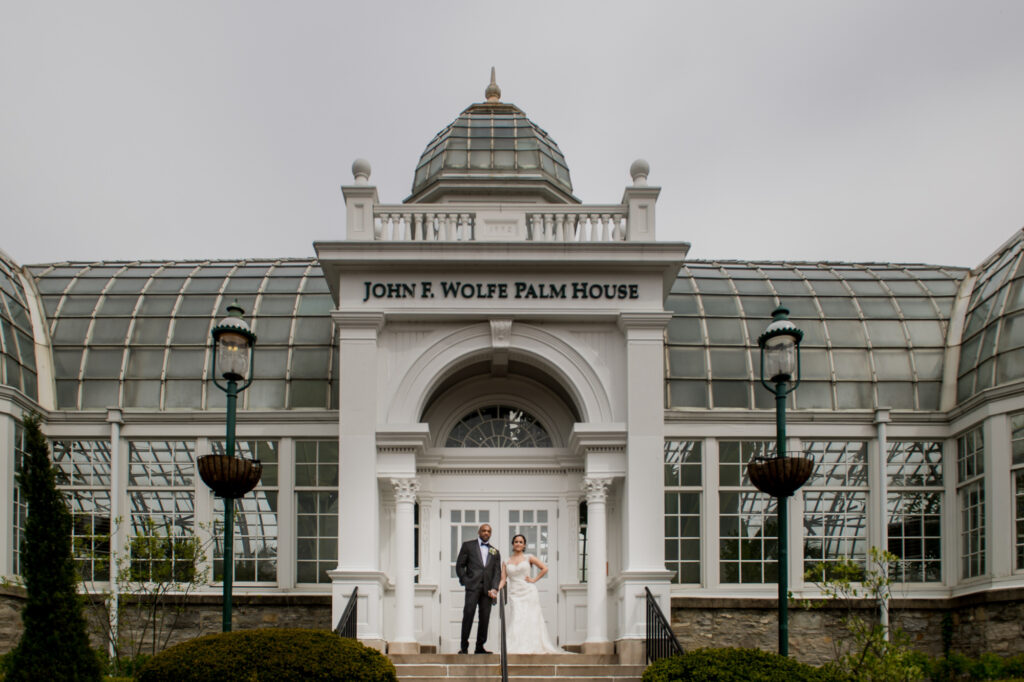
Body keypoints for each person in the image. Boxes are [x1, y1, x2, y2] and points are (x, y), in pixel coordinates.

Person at [498, 534, 565, 654]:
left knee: (531, 618)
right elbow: (503, 579)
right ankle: (516, 646)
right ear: (513, 544)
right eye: (516, 542)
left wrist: (534, 579)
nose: (518, 544)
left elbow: (544, 568)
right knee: (517, 618)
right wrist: (497, 589)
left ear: (524, 545)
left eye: (521, 542)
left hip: (529, 592)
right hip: (515, 593)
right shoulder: (506, 561)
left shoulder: (529, 557)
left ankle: (532, 645)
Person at [455, 523, 502, 654]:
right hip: (472, 587)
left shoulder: (495, 551)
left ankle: (479, 647)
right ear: (479, 532)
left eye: (489, 531)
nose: (486, 533)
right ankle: (464, 647)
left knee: (485, 618)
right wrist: (466, 580)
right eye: (484, 531)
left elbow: (497, 572)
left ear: (490, 534)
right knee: (468, 615)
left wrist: (494, 588)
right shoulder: (468, 546)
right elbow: (459, 565)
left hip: (487, 590)